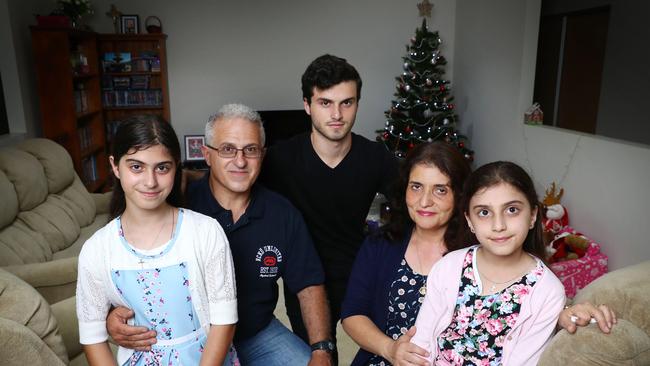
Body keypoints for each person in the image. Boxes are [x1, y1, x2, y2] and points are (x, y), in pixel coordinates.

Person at [341, 145, 617, 366]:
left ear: (459, 199)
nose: (425, 201)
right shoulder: (385, 245)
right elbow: (353, 313)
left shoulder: (482, 244)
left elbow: (523, 293)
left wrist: (564, 311)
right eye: (416, 187)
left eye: (440, 189)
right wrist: (390, 350)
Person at [106, 104, 333, 366]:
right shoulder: (178, 206)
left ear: (263, 155)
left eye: (251, 150)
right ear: (207, 154)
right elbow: (131, 268)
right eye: (227, 149)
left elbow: (309, 285)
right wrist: (113, 317)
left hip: (257, 333)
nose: (240, 161)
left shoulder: (283, 213)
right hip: (193, 339)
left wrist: (321, 349)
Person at [260, 54, 399, 358]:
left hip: (358, 272)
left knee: (380, 354)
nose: (337, 114)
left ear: (357, 104)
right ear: (307, 105)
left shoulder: (375, 157)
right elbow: (235, 192)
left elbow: (414, 203)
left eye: (346, 102)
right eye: (325, 103)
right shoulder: (280, 159)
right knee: (321, 357)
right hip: (304, 281)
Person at [76, 115, 238, 365]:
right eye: (136, 167)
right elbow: (92, 337)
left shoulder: (206, 232)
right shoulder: (97, 249)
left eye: (162, 167)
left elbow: (224, 320)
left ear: (176, 167)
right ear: (115, 166)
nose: (150, 181)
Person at [410, 161, 569, 364]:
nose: (498, 225)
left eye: (511, 210)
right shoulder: (449, 266)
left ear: (533, 215)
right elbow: (421, 341)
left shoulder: (547, 292)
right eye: (484, 212)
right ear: (469, 221)